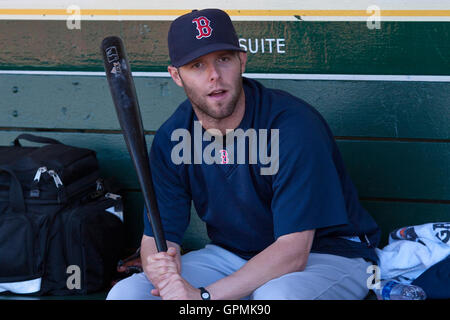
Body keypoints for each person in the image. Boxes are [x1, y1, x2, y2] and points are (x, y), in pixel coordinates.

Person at [107, 8, 381, 300]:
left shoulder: (293, 126)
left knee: (275, 297)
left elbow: (293, 252)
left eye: (223, 59)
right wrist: (162, 270)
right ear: (176, 75)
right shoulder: (174, 137)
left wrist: (202, 297)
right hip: (231, 256)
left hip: (329, 254)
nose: (214, 76)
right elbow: (155, 241)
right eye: (197, 65)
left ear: (242, 60)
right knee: (127, 295)